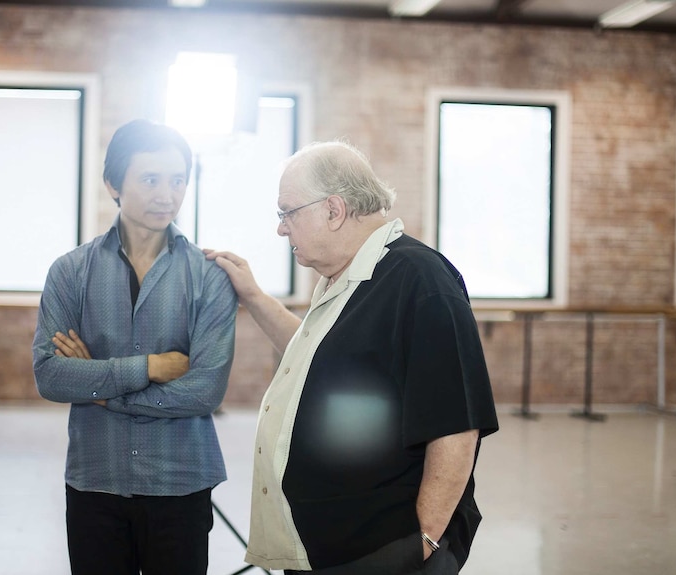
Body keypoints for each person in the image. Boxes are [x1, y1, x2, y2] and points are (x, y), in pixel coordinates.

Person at [204, 140, 499, 575]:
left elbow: (457, 428)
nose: (281, 229)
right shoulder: (345, 276)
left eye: (287, 213)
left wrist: (423, 542)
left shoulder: (420, 281)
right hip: (332, 544)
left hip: (385, 551)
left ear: (334, 210)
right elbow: (313, 358)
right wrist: (252, 295)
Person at [32, 119, 238, 575]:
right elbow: (50, 375)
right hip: (96, 480)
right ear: (113, 184)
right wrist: (149, 366)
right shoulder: (69, 272)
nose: (167, 194)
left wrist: (100, 388)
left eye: (178, 180)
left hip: (181, 481)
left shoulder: (210, 277)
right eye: (150, 180)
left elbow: (205, 392)